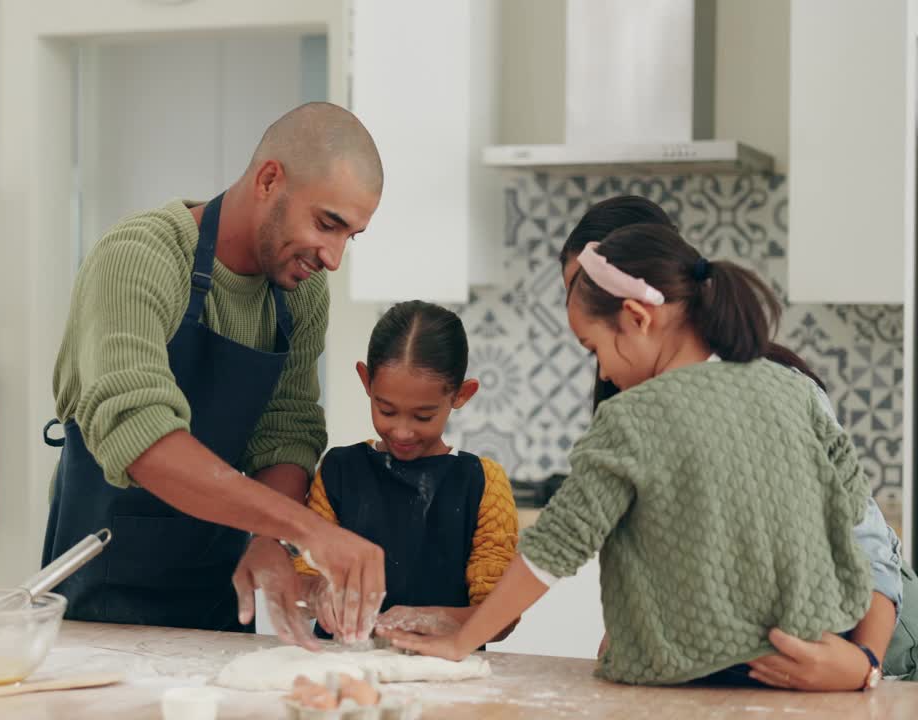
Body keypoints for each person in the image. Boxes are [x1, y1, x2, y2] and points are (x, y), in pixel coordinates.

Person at [381, 223, 875, 688]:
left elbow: (556, 546)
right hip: (809, 670)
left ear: (637, 319)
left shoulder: (634, 417)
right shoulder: (792, 390)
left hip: (684, 680)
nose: (606, 374)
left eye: (595, 348)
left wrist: (461, 641)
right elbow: (850, 508)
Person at [40, 102, 386, 649]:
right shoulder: (138, 257)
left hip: (217, 602)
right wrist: (307, 531)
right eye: (327, 224)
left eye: (351, 236)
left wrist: (269, 539)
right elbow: (141, 436)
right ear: (270, 179)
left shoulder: (302, 295)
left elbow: (288, 429)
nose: (335, 257)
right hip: (101, 605)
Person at [559, 196, 917, 687]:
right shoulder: (628, 407)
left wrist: (864, 665)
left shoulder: (776, 386)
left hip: (872, 649)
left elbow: (868, 546)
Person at [290, 301, 519, 641]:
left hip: (445, 676)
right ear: (366, 382)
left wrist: (429, 620)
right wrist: (317, 594)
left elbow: (501, 619)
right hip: (343, 672)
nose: (401, 431)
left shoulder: (481, 483)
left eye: (423, 416)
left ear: (462, 395)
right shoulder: (339, 471)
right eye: (386, 410)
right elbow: (302, 580)